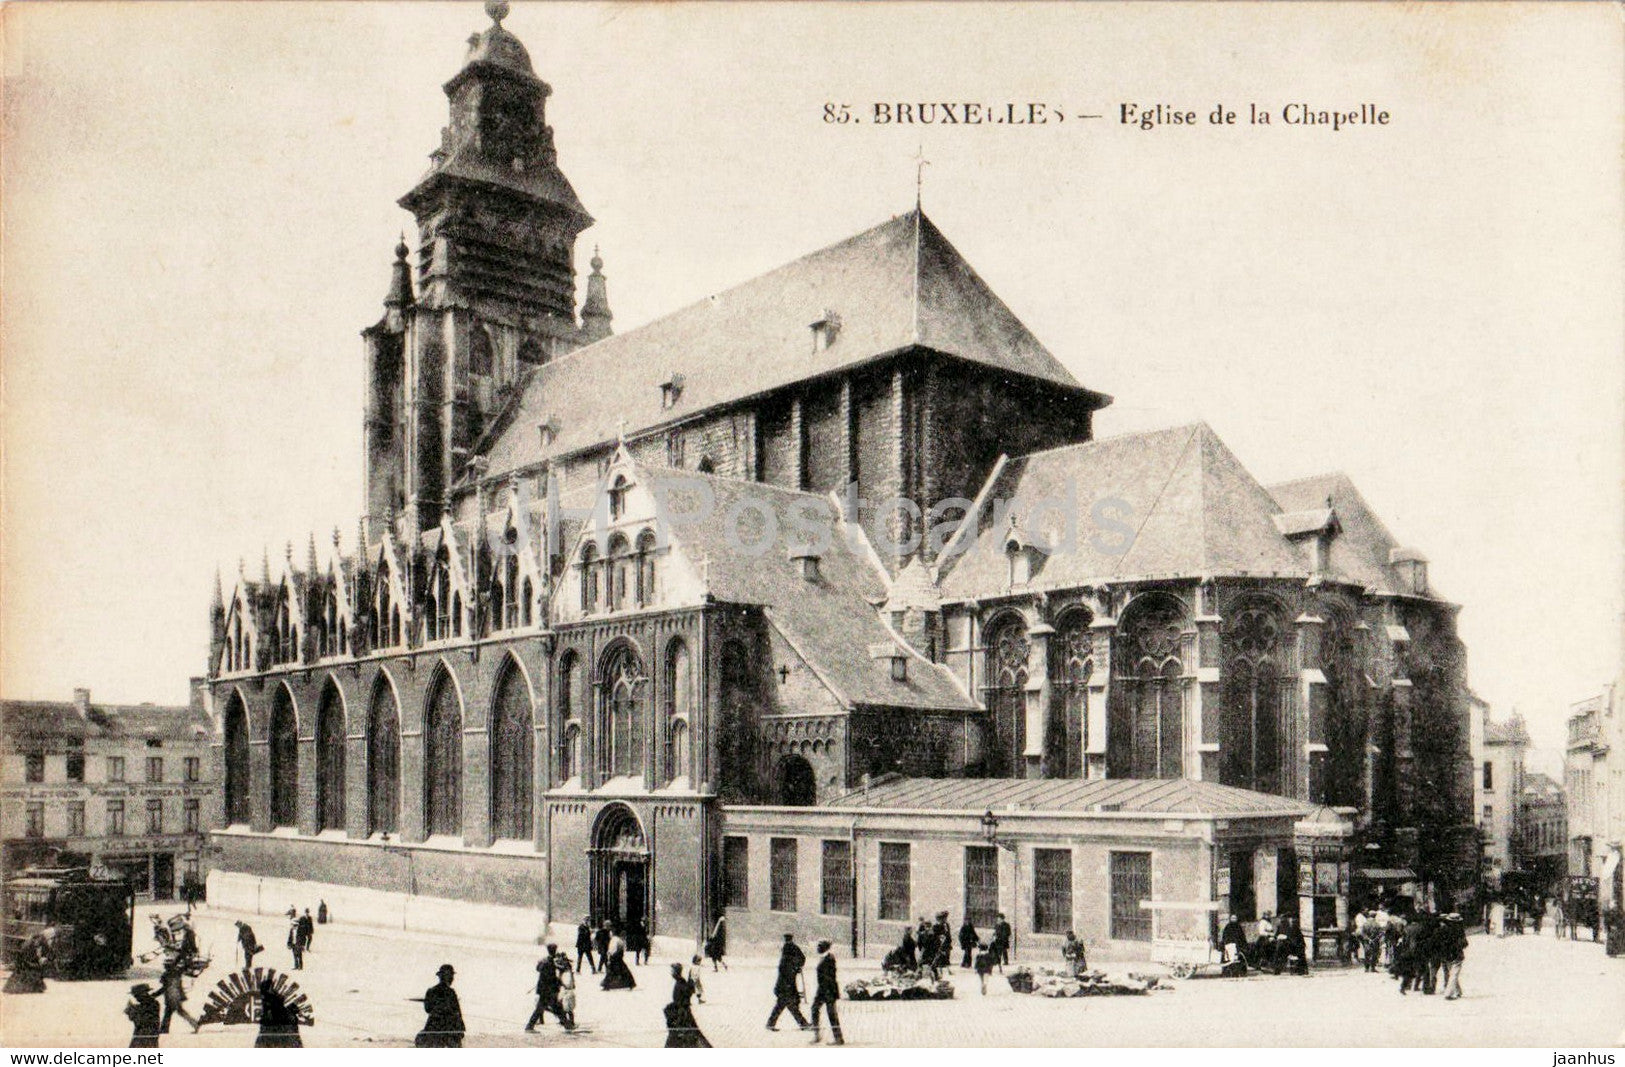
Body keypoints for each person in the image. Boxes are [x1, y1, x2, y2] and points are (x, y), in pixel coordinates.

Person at [766, 932, 809, 1031]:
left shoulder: (785, 956)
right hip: (786, 987)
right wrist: (797, 967)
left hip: (783, 987)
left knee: (785, 1005)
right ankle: (803, 1024)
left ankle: (771, 1024)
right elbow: (802, 959)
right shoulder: (791, 952)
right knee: (789, 1005)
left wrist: (796, 967)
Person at [526, 943, 573, 1031]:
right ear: (554, 950)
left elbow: (538, 969)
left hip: (543, 989)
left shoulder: (544, 961)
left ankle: (567, 1025)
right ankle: (529, 1026)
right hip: (548, 990)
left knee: (554, 1008)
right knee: (553, 1008)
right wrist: (559, 982)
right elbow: (551, 978)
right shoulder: (549, 962)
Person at [416, 964, 466, 1048]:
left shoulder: (431, 991)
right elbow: (457, 1013)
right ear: (446, 977)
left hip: (433, 1028)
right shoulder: (451, 993)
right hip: (448, 1031)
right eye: (450, 976)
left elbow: (428, 1009)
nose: (452, 979)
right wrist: (461, 1029)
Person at [810, 939, 844, 1045]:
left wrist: (826, 992)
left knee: (830, 1014)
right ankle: (819, 1035)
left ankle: (837, 1038)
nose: (817, 948)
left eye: (819, 946)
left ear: (823, 948)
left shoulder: (828, 959)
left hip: (827, 990)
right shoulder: (827, 958)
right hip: (824, 990)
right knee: (816, 1010)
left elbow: (829, 977)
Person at [255, 977, 303, 1048]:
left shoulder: (270, 998)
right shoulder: (269, 1000)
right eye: (271, 987)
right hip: (277, 1025)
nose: (273, 989)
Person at [159, 958, 200, 1034]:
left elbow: (165, 987)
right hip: (177, 996)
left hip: (171, 997)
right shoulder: (177, 973)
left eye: (166, 965)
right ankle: (164, 1029)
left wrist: (155, 994)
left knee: (174, 1012)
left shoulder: (166, 975)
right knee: (173, 1012)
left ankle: (164, 1030)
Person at [125, 983, 162, 1048]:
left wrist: (131, 1011)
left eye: (136, 996)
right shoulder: (152, 1003)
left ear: (143, 994)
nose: (136, 998)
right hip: (148, 1034)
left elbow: (140, 1021)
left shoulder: (150, 1004)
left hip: (144, 1035)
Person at [1440, 912, 1467, 1000]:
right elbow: (1465, 943)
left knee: (1452, 973)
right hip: (1456, 954)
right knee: (1454, 974)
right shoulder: (1459, 931)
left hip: (1446, 955)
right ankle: (1449, 993)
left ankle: (1458, 991)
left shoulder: (1443, 929)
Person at [600, 925, 636, 991]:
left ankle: (606, 985)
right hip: (619, 958)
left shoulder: (614, 940)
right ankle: (630, 983)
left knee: (611, 972)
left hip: (614, 958)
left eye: (610, 932)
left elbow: (612, 950)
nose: (609, 934)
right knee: (624, 971)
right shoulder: (619, 940)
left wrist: (609, 955)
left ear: (613, 933)